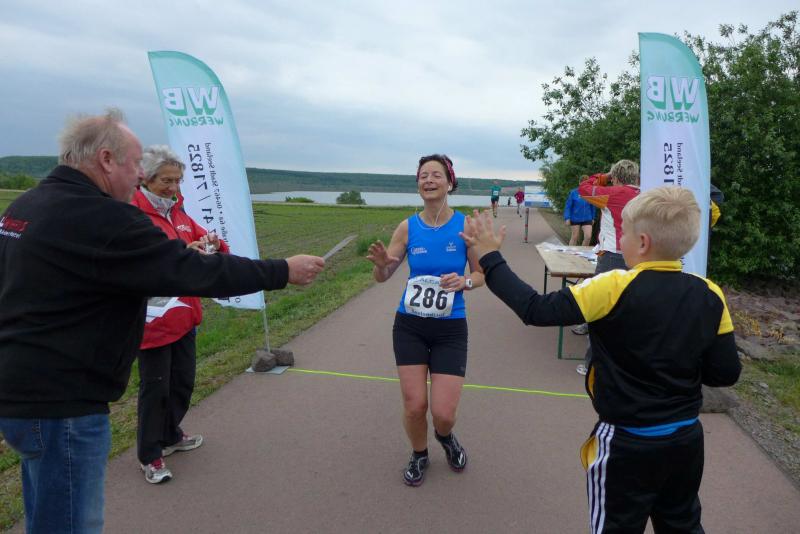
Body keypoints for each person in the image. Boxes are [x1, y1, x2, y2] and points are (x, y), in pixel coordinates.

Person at [0, 109, 325, 533]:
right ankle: (150, 450)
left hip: (22, 392)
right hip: (63, 405)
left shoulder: (26, 205)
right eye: (136, 164)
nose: (140, 176)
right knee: (70, 524)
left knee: (46, 515)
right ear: (106, 159)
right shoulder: (102, 218)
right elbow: (190, 271)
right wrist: (282, 270)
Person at [461, 186, 741, 534]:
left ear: (642, 243)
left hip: (626, 442)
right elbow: (725, 372)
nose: (618, 239)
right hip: (685, 439)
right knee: (683, 522)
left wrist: (490, 258)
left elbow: (534, 309)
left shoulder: (611, 286)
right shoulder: (709, 292)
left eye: (623, 232)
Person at [366, 154, 484, 487]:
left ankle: (445, 437)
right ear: (417, 184)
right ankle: (419, 454)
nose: (428, 180)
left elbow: (481, 273)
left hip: (450, 328)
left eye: (436, 175)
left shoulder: (465, 227)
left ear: (450, 182)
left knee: (443, 414)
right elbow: (383, 275)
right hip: (410, 326)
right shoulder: (407, 227)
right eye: (422, 176)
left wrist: (465, 281)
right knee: (415, 405)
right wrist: (380, 265)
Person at [131, 145, 230, 484]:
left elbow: (203, 240)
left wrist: (213, 245)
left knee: (183, 382)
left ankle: (170, 435)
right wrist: (180, 255)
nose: (173, 187)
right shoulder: (133, 214)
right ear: (146, 179)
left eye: (177, 180)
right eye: (166, 181)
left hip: (185, 315)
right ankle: (149, 454)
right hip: (153, 322)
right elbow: (136, 264)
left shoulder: (178, 212)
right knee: (155, 388)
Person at [571, 160, 640, 374]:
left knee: (600, 308)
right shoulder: (644, 194)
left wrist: (603, 176)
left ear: (616, 177)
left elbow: (584, 189)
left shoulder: (613, 193)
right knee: (629, 310)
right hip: (638, 256)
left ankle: (592, 363)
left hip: (612, 256)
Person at [564, 179, 596, 246]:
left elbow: (593, 206)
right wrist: (567, 218)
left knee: (588, 237)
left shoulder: (590, 193)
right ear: (579, 183)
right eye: (583, 183)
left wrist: (593, 217)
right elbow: (568, 206)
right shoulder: (573, 192)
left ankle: (582, 251)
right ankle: (570, 252)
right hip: (575, 218)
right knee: (575, 237)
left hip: (587, 218)